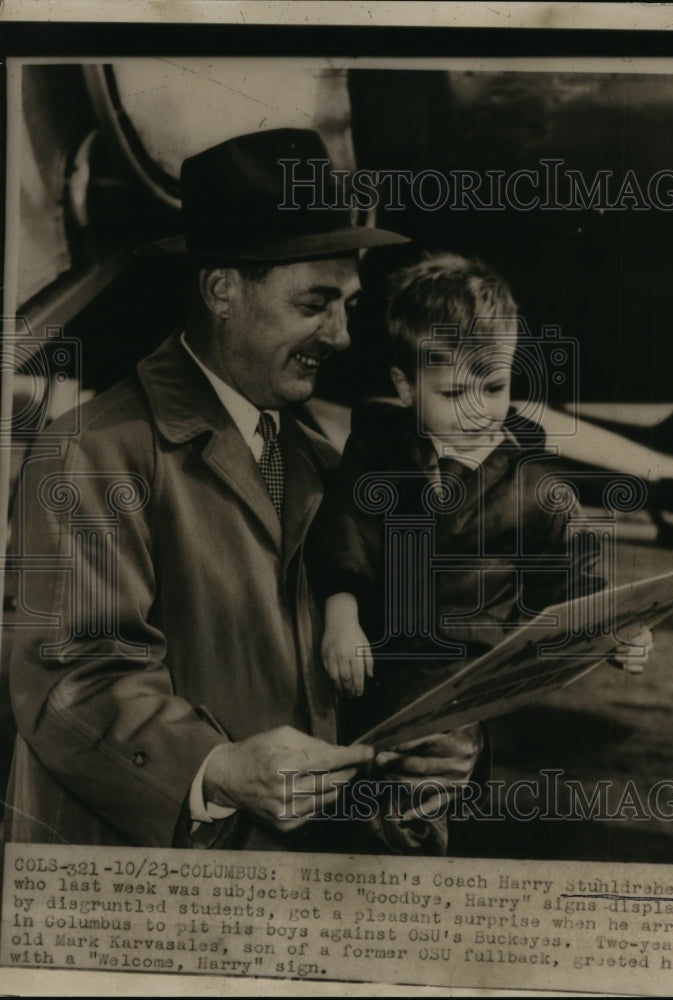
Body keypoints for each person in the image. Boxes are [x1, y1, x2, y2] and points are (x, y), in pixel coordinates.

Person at [4, 130, 483, 851]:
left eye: (347, 304)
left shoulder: (320, 461)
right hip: (143, 899)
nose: (342, 334)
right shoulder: (91, 452)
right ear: (222, 290)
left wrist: (427, 743)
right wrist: (216, 767)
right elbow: (73, 681)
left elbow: (367, 664)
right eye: (315, 303)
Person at [313, 254, 650, 737]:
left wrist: (621, 628)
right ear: (405, 387)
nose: (476, 413)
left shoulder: (535, 482)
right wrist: (341, 617)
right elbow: (347, 534)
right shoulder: (377, 453)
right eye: (453, 394)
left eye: (493, 387)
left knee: (437, 794)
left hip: (469, 694)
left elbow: (571, 577)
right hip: (373, 677)